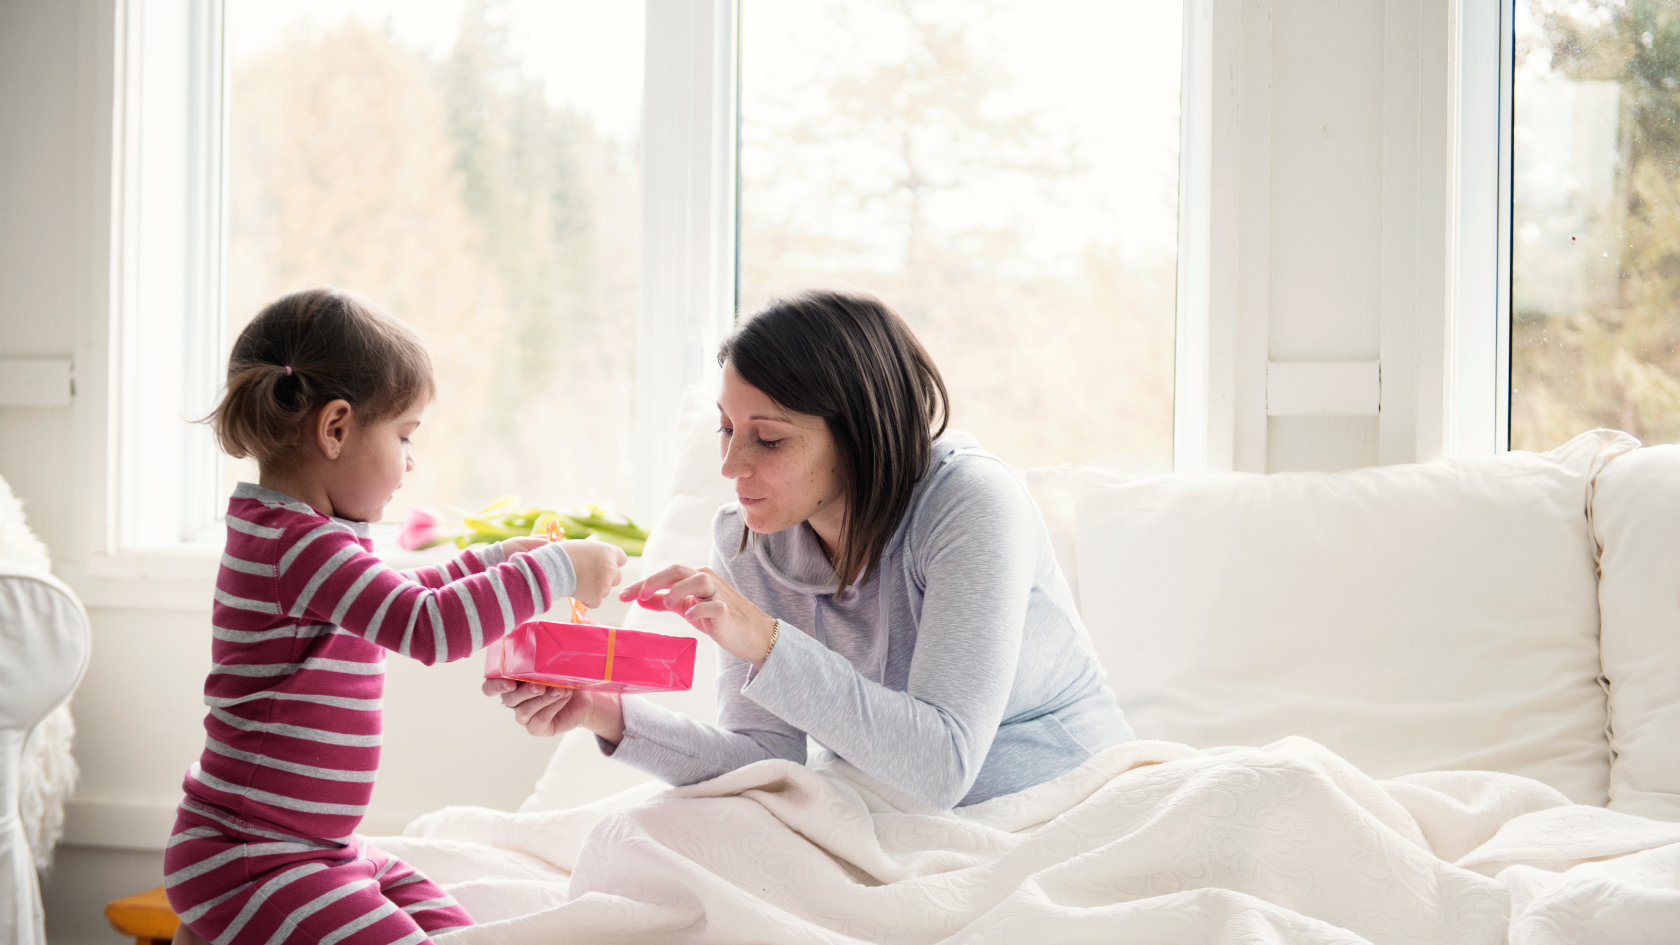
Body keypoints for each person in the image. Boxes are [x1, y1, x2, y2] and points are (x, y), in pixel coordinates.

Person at [488, 290, 1133, 809]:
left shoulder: (972, 504)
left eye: (767, 440)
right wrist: (604, 713)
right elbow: (764, 760)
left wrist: (764, 639)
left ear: (859, 434)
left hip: (1056, 805)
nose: (732, 465)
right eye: (726, 428)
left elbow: (942, 767)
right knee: (643, 843)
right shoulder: (749, 534)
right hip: (885, 812)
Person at [163, 287, 624, 945]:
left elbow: (392, 598)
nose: (412, 462)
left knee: (456, 926)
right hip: (253, 858)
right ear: (335, 428)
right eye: (405, 436)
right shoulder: (300, 545)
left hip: (313, 848)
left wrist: (493, 558)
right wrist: (557, 570)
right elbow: (425, 625)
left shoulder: (298, 534)